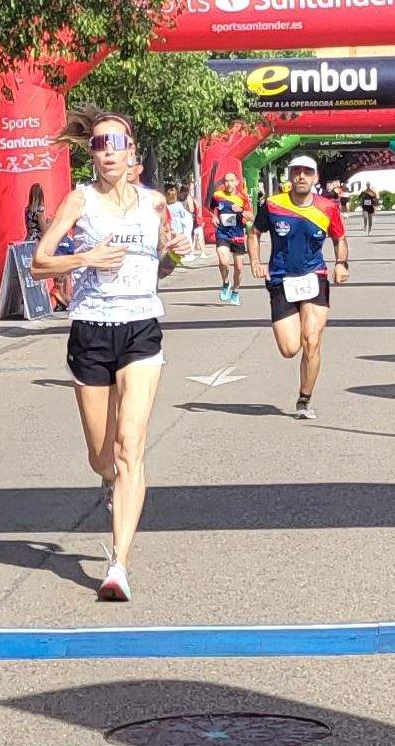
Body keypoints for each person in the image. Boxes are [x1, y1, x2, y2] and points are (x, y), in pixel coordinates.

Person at [30, 115, 192, 601]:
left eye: (116, 144)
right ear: (92, 153)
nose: (107, 152)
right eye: (99, 144)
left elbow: (163, 265)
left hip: (141, 329)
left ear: (130, 151)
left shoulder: (155, 204)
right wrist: (85, 259)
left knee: (130, 447)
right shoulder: (81, 201)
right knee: (101, 455)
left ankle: (118, 564)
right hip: (91, 332)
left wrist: (175, 253)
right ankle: (108, 481)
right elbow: (39, 261)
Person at [260, 155, 351, 418]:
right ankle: (296, 325)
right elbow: (255, 232)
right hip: (281, 278)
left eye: (307, 172)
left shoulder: (327, 207)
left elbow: (339, 237)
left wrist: (341, 263)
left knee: (312, 341)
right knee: (290, 349)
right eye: (296, 171)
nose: (301, 176)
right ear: (290, 176)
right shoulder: (273, 205)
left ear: (315, 178)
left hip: (315, 276)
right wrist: (255, 261)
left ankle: (304, 400)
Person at [208, 178, 252, 305]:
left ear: (236, 183)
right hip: (223, 234)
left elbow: (251, 216)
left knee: (239, 268)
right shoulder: (217, 195)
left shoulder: (242, 197)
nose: (228, 183)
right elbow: (212, 209)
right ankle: (226, 283)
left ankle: (235, 291)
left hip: (237, 235)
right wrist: (214, 217)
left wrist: (241, 211)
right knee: (223, 261)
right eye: (226, 181)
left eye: (231, 181)